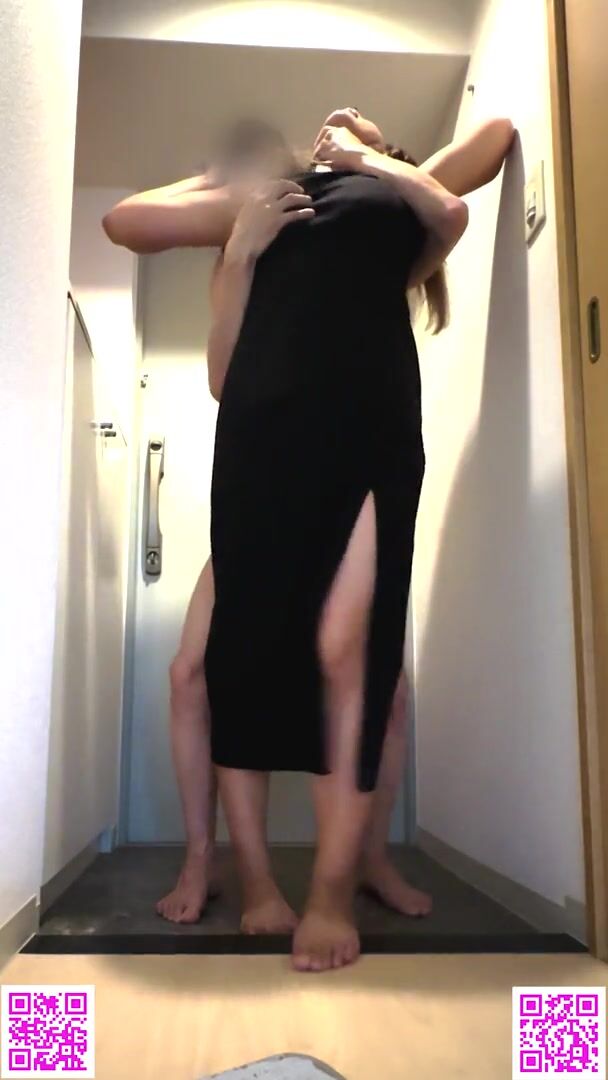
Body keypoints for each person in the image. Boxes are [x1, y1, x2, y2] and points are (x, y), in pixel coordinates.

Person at [103, 108, 514, 971]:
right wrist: (238, 216)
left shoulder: (392, 198)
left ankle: (338, 884)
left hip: (367, 437)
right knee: (232, 663)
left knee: (349, 655)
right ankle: (250, 878)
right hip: (266, 450)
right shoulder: (274, 199)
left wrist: (370, 150)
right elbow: (127, 223)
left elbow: (492, 142)